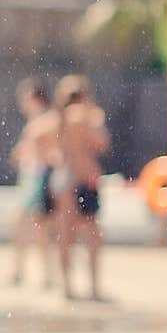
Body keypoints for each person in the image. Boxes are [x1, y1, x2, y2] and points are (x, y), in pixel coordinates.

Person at [52, 75, 110, 300]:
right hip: (81, 180)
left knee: (66, 234)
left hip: (65, 178)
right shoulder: (82, 115)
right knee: (93, 235)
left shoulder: (60, 118)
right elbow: (102, 143)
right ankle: (93, 287)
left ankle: (67, 287)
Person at [8, 78, 59, 287]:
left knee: (40, 227)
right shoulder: (37, 120)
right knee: (25, 225)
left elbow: (47, 149)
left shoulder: (48, 120)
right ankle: (22, 271)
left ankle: (45, 274)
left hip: (40, 177)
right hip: (31, 177)